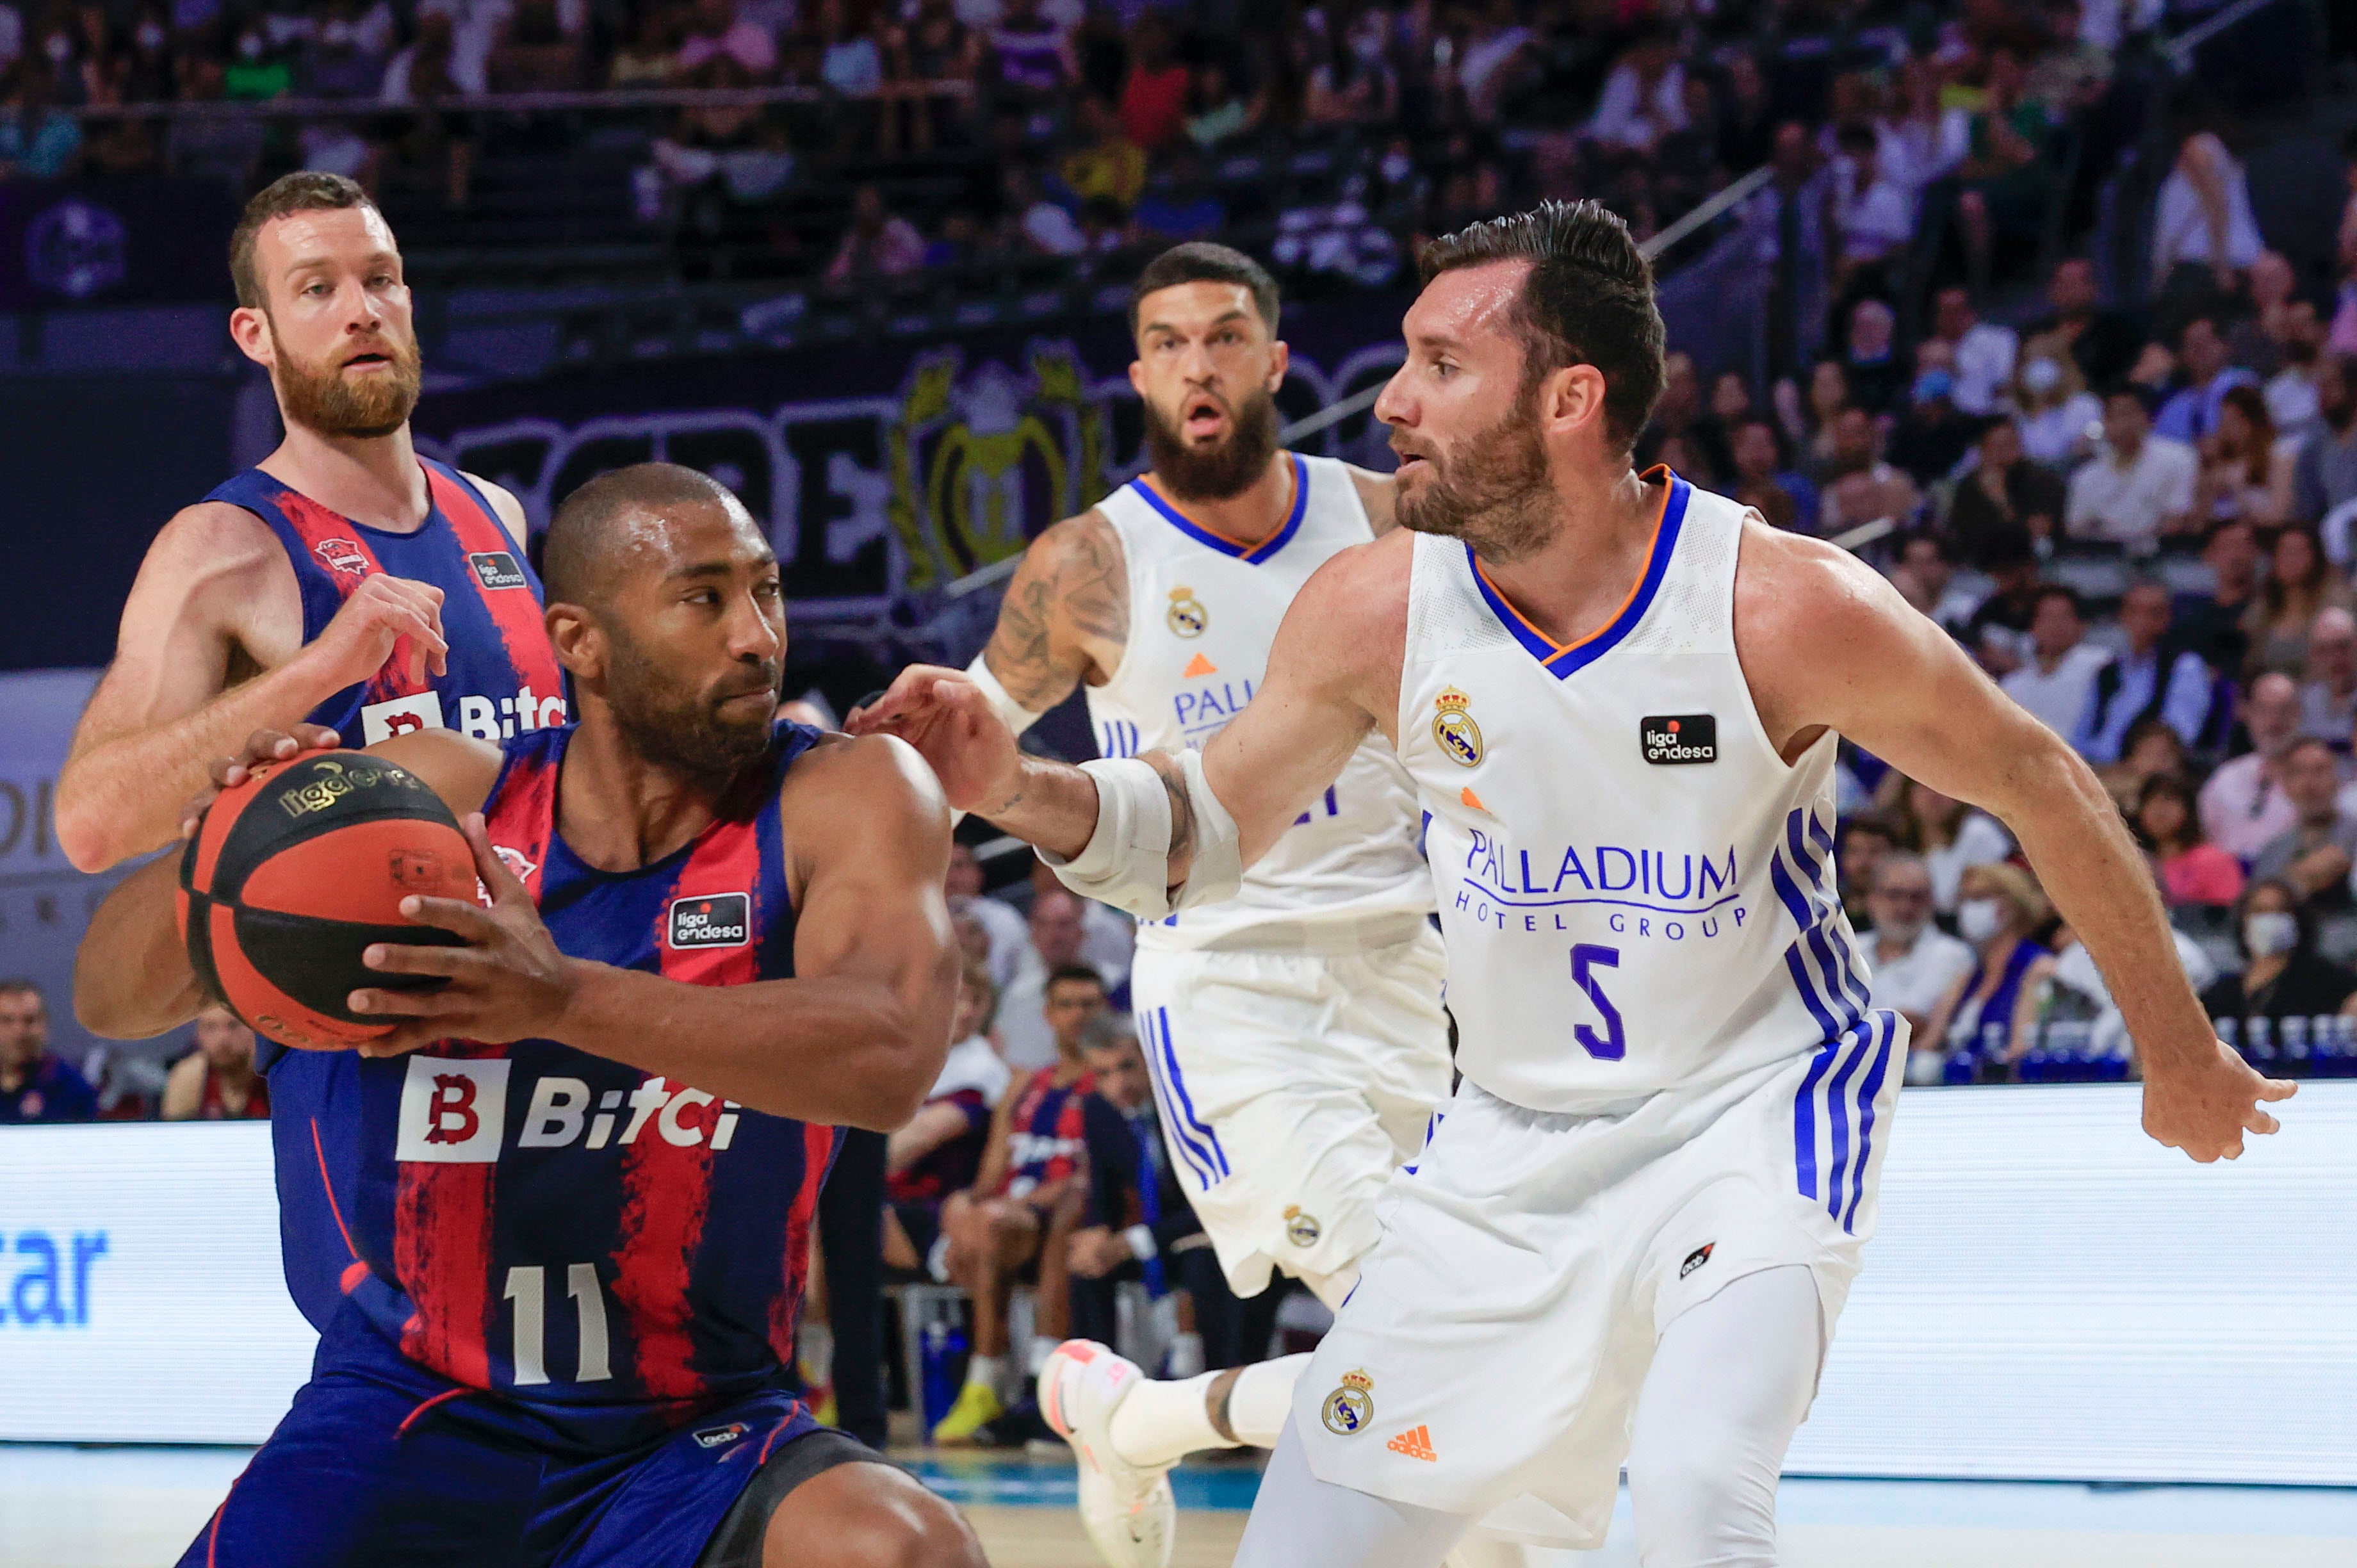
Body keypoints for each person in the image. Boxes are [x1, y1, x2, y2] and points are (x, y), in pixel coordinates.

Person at [851, 200, 2288, 1568]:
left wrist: (2177, 1049)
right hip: (1497, 1148)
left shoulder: (1780, 604)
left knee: (1688, 1487)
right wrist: (1011, 789)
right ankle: (1152, 1423)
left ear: (1567, 401)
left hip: (1750, 1110)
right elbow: (1194, 829)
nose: (1391, 403)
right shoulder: (1373, 604)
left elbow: (2037, 776)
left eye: (1440, 365)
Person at [73, 462, 980, 1568]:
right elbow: (108, 998)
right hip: (405, 1416)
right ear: (579, 644)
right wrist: (235, 837)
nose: (755, 637)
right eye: (703, 598)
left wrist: (561, 997)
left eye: (766, 590)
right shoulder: (437, 797)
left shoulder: (849, 793)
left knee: (905, 1548)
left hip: (688, 1434)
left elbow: (887, 1056)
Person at [940, 240, 1451, 1559]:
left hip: (1418, 972)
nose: (1197, 365)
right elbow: (968, 750)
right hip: (1233, 985)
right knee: (1430, 1332)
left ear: (1276, 360)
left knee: (1490, 1377)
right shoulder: (1089, 564)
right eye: (1168, 343)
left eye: (1223, 336)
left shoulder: (1386, 519)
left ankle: (1146, 1420)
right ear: (1138, 374)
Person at [55, 171, 556, 878]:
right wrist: (320, 667)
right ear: (255, 333)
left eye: (380, 280)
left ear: (408, 300)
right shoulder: (222, 545)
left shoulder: (493, 509)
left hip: (544, 962)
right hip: (376, 971)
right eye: (317, 289)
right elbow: (91, 826)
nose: (362, 312)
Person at [932, 963, 1101, 1443]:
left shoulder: (1109, 1078)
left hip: (1061, 1219)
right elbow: (990, 1176)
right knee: (975, 1218)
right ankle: (1003, 1384)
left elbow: (1096, 1176)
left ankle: (988, 1379)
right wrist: (962, 1204)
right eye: (1067, 1005)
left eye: (1089, 1005)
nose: (1079, 1016)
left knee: (1022, 1215)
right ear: (1047, 1014)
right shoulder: (1025, 1085)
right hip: (1008, 1220)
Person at [1067, 1013, 1220, 1372]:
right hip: (1157, 1234)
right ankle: (1096, 1380)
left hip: (1206, 1231)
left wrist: (1131, 1242)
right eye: (1103, 1074)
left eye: (1127, 1067)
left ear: (1151, 1060)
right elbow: (1104, 1193)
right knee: (1087, 1264)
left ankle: (1204, 1373)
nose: (1119, 1083)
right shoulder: (1100, 1111)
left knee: (1201, 1262)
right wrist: (1099, 1235)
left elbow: (1213, 1201)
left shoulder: (1192, 1105)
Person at [886, 959, 1012, 1278]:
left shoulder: (982, 1070)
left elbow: (919, 1138)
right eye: (956, 998)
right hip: (890, 1198)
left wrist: (833, 1171)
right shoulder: (907, 1058)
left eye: (977, 1001)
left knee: (830, 1210)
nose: (967, 1011)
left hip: (938, 1209)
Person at [1918, 862, 2057, 1081]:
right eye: (1963, 899)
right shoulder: (1967, 977)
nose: (1967, 908)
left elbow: (2023, 1048)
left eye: (1979, 898)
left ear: (2010, 906)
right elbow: (1929, 1042)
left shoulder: (2038, 969)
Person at [2074, 579, 2213, 764]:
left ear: (2167, 618)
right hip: (2096, 770)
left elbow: (2177, 738)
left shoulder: (2184, 667)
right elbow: (2082, 734)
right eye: (2135, 612)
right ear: (2123, 617)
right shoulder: (2107, 672)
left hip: (2146, 771)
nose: (2143, 621)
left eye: (2154, 613)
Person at [2199, 879, 2357, 1031]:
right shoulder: (2223, 992)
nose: (2270, 918)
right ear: (2243, 921)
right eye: (2259, 910)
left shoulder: (2328, 980)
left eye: (2281, 910)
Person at [995, 888, 1115, 1070]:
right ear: (1032, 934)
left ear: (1082, 931)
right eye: (1043, 924)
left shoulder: (1117, 983)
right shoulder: (1016, 997)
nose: (1054, 935)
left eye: (1064, 924)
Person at [1860, 853, 1974, 1041]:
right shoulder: (1848, 948)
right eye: (1894, 895)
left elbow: (1908, 1024)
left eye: (1917, 897)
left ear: (1932, 901)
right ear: (1872, 899)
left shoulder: (1951, 954)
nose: (1905, 907)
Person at [2065, 386, 2198, 547]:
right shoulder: (2086, 476)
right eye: (2114, 416)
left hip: (2163, 555)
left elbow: (2178, 517)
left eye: (2129, 414)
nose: (2124, 424)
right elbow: (2076, 529)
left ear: (2146, 418)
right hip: (2105, 558)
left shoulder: (2179, 458)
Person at [2199, 670, 2304, 863]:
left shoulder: (2315, 778)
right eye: (2263, 710)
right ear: (2248, 713)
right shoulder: (2226, 778)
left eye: (2284, 710)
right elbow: (2204, 839)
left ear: (2299, 713)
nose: (2273, 722)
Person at [2247, 737, 2357, 914]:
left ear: (2338, 780)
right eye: (2298, 773)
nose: (2309, 784)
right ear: (2285, 785)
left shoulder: (2354, 834)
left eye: (2320, 771)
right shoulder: (2272, 851)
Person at [1945, 418, 2063, 568]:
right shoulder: (1969, 486)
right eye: (1997, 447)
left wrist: (2000, 500)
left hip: (2032, 561)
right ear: (1983, 450)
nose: (2005, 453)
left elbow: (2039, 532)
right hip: (1979, 563)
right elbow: (1961, 533)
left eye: (2010, 445)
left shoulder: (2041, 480)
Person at [2242, 524, 2351, 680]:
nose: (2292, 559)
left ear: (2316, 556)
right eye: (2285, 552)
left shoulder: (2337, 604)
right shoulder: (2261, 610)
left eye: (2299, 551)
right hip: (2271, 697)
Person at [2000, 585, 2110, 740]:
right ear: (2033, 626)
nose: (2056, 625)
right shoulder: (2013, 684)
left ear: (2081, 624)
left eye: (2064, 617)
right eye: (2047, 617)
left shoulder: (2100, 665)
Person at [2133, 773, 2244, 911]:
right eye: (2150, 801)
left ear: (2189, 809)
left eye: (2169, 800)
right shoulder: (2135, 862)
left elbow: (2227, 919)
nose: (2159, 809)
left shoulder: (2213, 860)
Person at [2194, 383, 2295, 528]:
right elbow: (2199, 524)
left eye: (2235, 421)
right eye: (2224, 422)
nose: (2228, 430)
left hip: (2261, 534)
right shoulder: (2220, 460)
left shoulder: (2280, 455)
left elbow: (2277, 518)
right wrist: (2207, 471)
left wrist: (2238, 489)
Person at [2153, 315, 2257, 446]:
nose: (2201, 350)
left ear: (2225, 346)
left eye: (2207, 342)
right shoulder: (2174, 407)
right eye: (2193, 345)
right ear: (2183, 355)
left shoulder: (2242, 382)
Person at [0, 981, 95, 1124]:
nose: (19, 1032)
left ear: (45, 1025)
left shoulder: (72, 1089)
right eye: (7, 1021)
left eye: (29, 1020)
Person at [160, 1005, 270, 1120]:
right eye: (210, 1027)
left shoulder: (272, 1071)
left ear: (253, 1030)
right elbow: (174, 1134)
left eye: (234, 1025)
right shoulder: (188, 1076)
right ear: (198, 1035)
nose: (223, 1038)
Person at [2301, 605, 2357, 741]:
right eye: (2323, 651)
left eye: (2342, 647)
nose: (2335, 660)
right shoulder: (2305, 703)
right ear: (2312, 656)